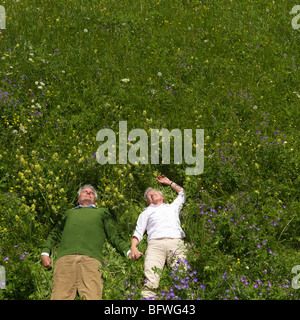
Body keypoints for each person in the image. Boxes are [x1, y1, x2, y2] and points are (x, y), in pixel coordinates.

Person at [41, 184, 131, 300]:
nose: (88, 193)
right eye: (85, 191)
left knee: (92, 296)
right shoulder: (69, 213)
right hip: (65, 259)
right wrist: (45, 253)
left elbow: (114, 236)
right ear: (78, 199)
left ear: (95, 200)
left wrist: (128, 251)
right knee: (59, 296)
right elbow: (54, 233)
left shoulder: (102, 212)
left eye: (92, 193)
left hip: (91, 260)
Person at [129, 175, 186, 299]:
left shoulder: (172, 207)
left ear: (162, 197)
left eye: (154, 193)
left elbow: (182, 193)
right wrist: (134, 247)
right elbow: (138, 232)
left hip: (175, 241)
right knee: (151, 281)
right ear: (147, 201)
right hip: (155, 245)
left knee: (183, 277)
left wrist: (169, 182)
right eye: (149, 195)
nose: (151, 194)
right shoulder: (146, 212)